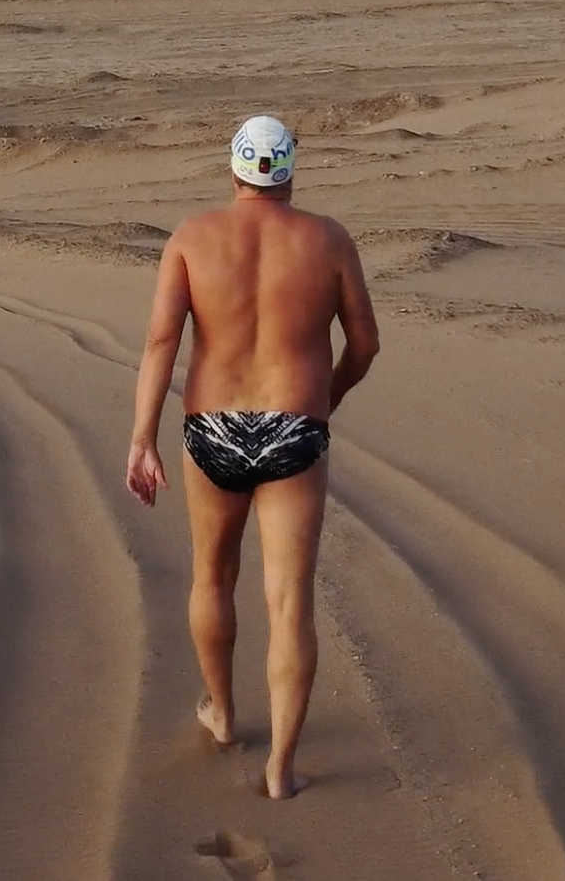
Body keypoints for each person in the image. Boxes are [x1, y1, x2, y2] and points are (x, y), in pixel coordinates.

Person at [124, 113, 381, 800]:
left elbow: (159, 344)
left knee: (212, 576)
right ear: (291, 170)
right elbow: (364, 346)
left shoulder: (191, 237)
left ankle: (224, 714)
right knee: (290, 601)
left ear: (233, 170)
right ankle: (281, 771)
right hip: (295, 426)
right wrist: (325, 397)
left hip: (212, 426)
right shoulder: (327, 239)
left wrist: (142, 438)